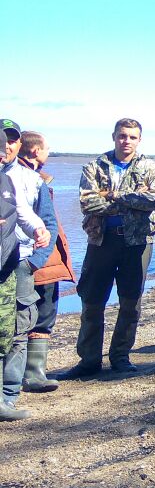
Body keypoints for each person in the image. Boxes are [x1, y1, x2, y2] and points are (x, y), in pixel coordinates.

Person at [56, 118, 155, 380]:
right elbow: (88, 204)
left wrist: (113, 196)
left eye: (132, 137)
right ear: (114, 136)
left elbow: (154, 201)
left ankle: (120, 357)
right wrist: (131, 201)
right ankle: (89, 360)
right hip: (101, 240)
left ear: (139, 140)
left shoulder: (152, 168)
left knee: (131, 301)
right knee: (92, 300)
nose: (126, 141)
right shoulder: (94, 167)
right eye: (122, 136)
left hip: (137, 242)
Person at [17, 130, 76, 393]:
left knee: (43, 312)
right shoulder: (22, 179)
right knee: (30, 314)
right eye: (47, 148)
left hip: (44, 259)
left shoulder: (37, 178)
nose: (49, 153)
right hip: (33, 259)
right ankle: (27, 375)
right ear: (36, 151)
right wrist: (36, 260)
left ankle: (33, 372)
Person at [0, 118, 50, 420]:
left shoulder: (16, 180)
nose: (5, 147)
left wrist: (38, 232)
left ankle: (8, 396)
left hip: (13, 263)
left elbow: (23, 212)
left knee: (16, 329)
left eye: (10, 140)